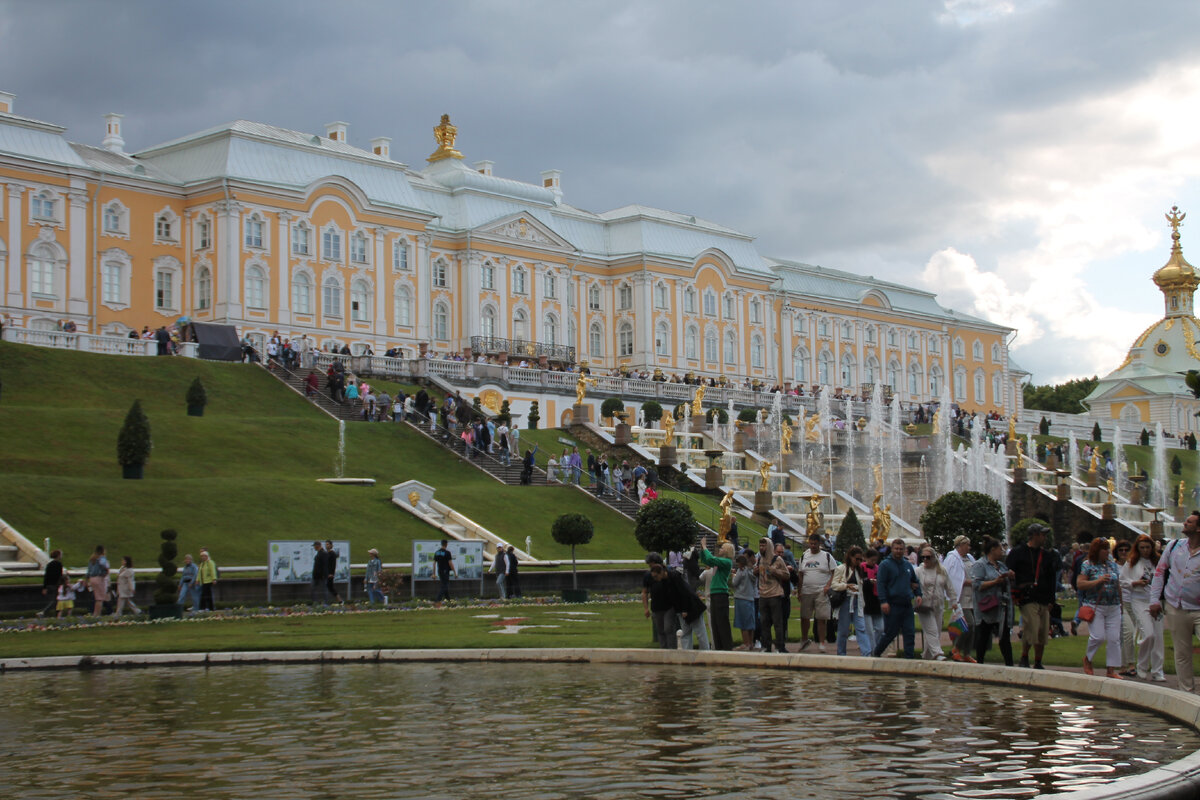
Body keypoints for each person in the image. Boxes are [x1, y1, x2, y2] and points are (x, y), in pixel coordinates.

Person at [1150, 511, 1200, 692]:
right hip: (1176, 607)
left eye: (1190, 522)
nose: (1185, 523)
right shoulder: (1174, 546)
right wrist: (1154, 600)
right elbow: (1159, 573)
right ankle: (1187, 693)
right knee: (1182, 653)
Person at [1006, 522, 1061, 669]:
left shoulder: (1047, 555)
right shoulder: (1018, 552)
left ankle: (1037, 661)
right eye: (1043, 534)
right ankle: (1024, 657)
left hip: (1044, 597)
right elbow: (1008, 571)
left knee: (1042, 631)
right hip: (1027, 596)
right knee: (1032, 626)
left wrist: (1051, 600)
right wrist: (1015, 590)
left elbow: (1051, 579)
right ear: (1035, 535)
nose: (1045, 537)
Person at [1077, 537, 1123, 678]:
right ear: (1096, 551)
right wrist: (1098, 581)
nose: (1106, 551)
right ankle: (1088, 659)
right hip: (1095, 605)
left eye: (1107, 548)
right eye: (1103, 548)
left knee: (1114, 638)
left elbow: (1118, 585)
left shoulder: (1112, 565)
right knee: (1098, 637)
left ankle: (1111, 669)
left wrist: (1121, 604)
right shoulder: (1088, 565)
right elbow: (1080, 584)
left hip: (1113, 605)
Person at [1121, 534, 1165, 681]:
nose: (1145, 550)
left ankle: (1158, 670)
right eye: (1142, 548)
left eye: (1148, 547)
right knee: (1148, 634)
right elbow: (1122, 581)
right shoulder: (1131, 562)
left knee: (1158, 636)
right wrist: (1134, 583)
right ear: (1137, 549)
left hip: (1155, 601)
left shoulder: (1157, 561)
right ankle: (1142, 666)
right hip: (1139, 600)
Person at [872, 538, 923, 658]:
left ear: (904, 550)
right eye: (896, 549)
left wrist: (918, 594)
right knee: (890, 633)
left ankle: (909, 658)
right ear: (892, 549)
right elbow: (881, 584)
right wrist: (883, 601)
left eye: (901, 549)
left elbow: (914, 581)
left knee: (909, 632)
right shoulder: (885, 565)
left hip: (906, 604)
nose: (898, 551)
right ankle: (877, 652)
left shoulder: (907, 565)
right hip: (892, 603)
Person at [971, 537, 1014, 665]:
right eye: (1000, 549)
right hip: (987, 607)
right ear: (992, 550)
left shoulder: (1001, 565)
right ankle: (980, 664)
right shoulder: (980, 565)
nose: (1002, 551)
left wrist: (1009, 576)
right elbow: (977, 585)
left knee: (1004, 637)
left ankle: (1010, 665)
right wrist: (995, 582)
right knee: (983, 637)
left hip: (1001, 607)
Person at [648, 561, 709, 649]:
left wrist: (685, 609)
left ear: (661, 572)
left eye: (655, 576)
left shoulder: (674, 577)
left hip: (692, 607)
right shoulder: (664, 581)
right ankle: (687, 655)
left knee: (700, 633)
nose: (655, 579)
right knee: (685, 633)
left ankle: (706, 653)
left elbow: (684, 593)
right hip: (681, 610)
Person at [797, 534, 836, 652]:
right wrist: (799, 591)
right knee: (804, 617)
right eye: (811, 543)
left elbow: (834, 572)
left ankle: (822, 642)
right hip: (807, 590)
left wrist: (828, 585)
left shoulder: (827, 556)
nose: (813, 546)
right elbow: (800, 574)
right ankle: (804, 639)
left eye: (815, 544)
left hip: (821, 590)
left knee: (821, 618)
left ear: (820, 544)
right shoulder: (804, 556)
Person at [914, 546, 953, 660]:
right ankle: (938, 653)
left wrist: (954, 601)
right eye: (923, 557)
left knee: (936, 631)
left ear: (934, 557)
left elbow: (949, 587)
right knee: (932, 630)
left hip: (938, 605)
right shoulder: (918, 571)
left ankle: (926, 657)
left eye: (928, 557)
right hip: (924, 606)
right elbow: (912, 585)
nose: (925, 559)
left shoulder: (941, 570)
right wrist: (917, 595)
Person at [832, 546, 872, 656]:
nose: (858, 561)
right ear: (850, 557)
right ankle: (841, 653)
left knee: (861, 628)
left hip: (857, 601)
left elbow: (861, 587)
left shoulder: (859, 570)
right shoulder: (841, 568)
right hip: (845, 600)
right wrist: (846, 586)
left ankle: (867, 653)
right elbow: (834, 585)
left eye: (860, 559)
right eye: (856, 559)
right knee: (843, 630)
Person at [943, 536, 977, 663]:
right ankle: (956, 648)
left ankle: (967, 652)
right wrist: (969, 582)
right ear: (960, 545)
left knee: (970, 626)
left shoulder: (969, 558)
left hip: (971, 597)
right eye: (967, 545)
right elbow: (953, 578)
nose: (969, 547)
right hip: (960, 597)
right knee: (969, 624)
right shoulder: (952, 558)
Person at [698, 536, 734, 650]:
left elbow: (711, 560)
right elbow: (706, 560)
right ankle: (718, 647)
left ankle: (726, 648)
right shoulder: (720, 562)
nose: (720, 549)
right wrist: (702, 549)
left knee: (722, 623)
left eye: (722, 548)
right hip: (715, 594)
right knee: (715, 623)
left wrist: (704, 546)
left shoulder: (727, 562)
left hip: (721, 594)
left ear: (727, 550)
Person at [755, 537, 790, 653]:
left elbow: (786, 575)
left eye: (764, 546)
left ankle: (780, 646)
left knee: (777, 622)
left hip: (774, 594)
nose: (761, 548)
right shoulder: (760, 559)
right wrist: (755, 572)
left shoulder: (777, 559)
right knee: (764, 622)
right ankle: (766, 646)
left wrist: (774, 571)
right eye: (760, 546)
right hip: (763, 594)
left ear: (769, 546)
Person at [642, 553, 677, 649]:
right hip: (656, 607)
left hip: (669, 606)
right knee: (660, 630)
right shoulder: (648, 576)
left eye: (651, 564)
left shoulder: (668, 572)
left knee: (668, 628)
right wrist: (646, 608)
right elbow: (644, 592)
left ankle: (672, 649)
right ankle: (663, 650)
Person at [730, 553, 757, 650]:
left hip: (741, 598)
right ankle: (750, 643)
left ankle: (745, 643)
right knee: (750, 623)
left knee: (743, 623)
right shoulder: (751, 571)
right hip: (750, 598)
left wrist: (733, 575)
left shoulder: (740, 571)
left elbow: (734, 583)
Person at [36, 549, 64, 617]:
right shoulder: (59, 564)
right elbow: (60, 576)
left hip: (49, 585)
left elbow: (46, 576)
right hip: (56, 585)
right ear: (58, 556)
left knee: (53, 600)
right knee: (55, 600)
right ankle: (44, 612)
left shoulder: (49, 564)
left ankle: (56, 614)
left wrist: (44, 587)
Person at [86, 545, 110, 616]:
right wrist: (106, 570)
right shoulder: (101, 558)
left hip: (92, 578)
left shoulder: (92, 559)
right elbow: (103, 564)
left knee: (97, 597)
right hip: (99, 578)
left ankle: (95, 614)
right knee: (100, 599)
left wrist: (86, 580)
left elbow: (89, 570)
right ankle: (97, 614)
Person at [433, 539, 456, 604]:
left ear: (441, 544)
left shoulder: (437, 552)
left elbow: (434, 563)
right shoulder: (447, 553)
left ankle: (448, 600)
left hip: (439, 571)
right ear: (446, 544)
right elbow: (450, 563)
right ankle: (437, 600)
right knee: (445, 585)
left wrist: (434, 573)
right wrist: (454, 572)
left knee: (444, 584)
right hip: (446, 571)